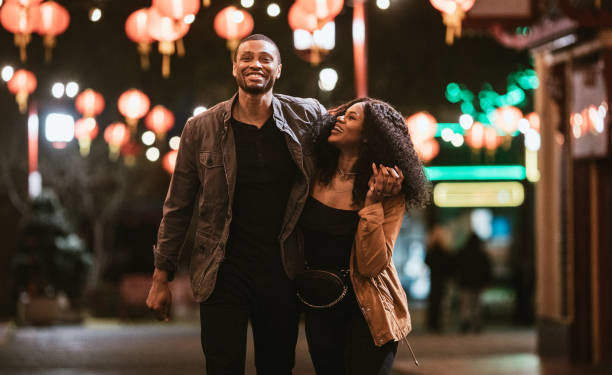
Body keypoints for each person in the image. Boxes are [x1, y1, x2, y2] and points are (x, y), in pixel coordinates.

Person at [145, 34, 326, 374]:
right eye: (246, 58)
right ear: (234, 68)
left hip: (282, 271)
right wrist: (160, 278)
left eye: (264, 58)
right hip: (221, 271)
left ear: (278, 69)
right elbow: (178, 206)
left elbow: (346, 154)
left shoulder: (307, 117)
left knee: (277, 367)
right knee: (222, 366)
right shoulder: (201, 129)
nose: (255, 64)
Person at [297, 98, 430, 374]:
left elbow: (372, 264)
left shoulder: (388, 190)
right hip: (320, 305)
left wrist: (372, 202)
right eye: (342, 114)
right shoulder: (311, 175)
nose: (339, 119)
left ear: (369, 136)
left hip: (369, 311)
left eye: (352, 117)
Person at [455, 231, 492, 333]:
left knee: (465, 305)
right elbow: (487, 269)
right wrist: (487, 281)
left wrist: (457, 280)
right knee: (477, 305)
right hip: (478, 283)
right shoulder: (482, 254)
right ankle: (477, 324)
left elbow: (457, 267)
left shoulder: (463, 253)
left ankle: (465, 323)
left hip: (465, 283)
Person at [424, 225, 452, 333]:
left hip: (433, 278)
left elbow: (427, 261)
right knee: (440, 301)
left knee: (434, 301)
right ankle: (438, 323)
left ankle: (432, 323)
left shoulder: (431, 249)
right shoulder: (444, 250)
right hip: (441, 279)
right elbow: (449, 264)